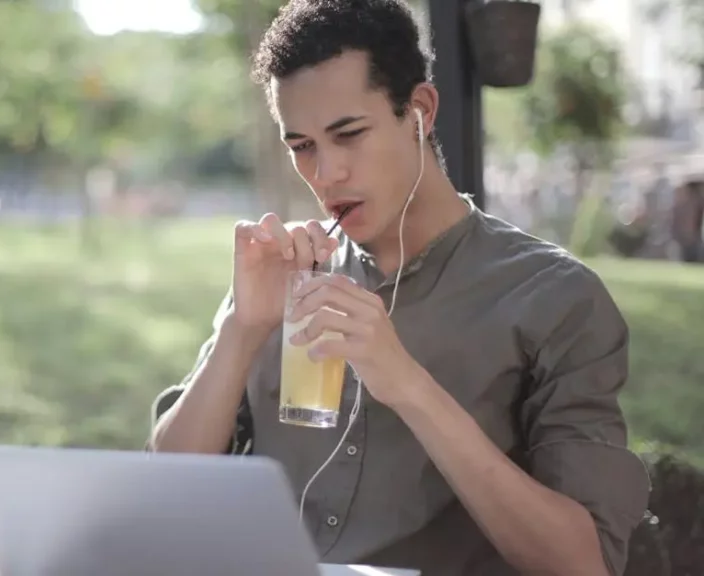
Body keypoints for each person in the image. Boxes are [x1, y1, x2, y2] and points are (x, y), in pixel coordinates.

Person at [146, 1, 650, 575]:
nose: (326, 173)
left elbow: (585, 565)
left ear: (420, 111)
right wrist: (241, 331)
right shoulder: (284, 277)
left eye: (349, 134)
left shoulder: (554, 298)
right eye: (302, 146)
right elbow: (161, 496)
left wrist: (407, 383)